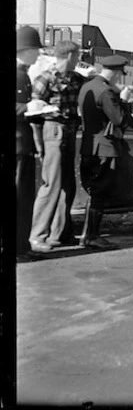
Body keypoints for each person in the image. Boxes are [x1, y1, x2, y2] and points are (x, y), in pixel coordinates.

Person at [28, 40, 85, 252]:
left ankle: (59, 234)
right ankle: (37, 236)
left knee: (67, 186)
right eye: (77, 55)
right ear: (69, 55)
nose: (78, 59)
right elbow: (33, 113)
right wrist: (39, 143)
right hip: (53, 129)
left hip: (68, 131)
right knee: (51, 185)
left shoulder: (76, 78)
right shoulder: (46, 78)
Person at [77, 55, 133, 248]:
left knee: (94, 192)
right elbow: (119, 119)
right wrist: (125, 101)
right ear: (115, 72)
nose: (119, 79)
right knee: (100, 192)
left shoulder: (87, 86)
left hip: (89, 146)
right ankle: (92, 237)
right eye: (119, 75)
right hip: (105, 149)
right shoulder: (106, 91)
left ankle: (87, 235)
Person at [15, 26, 44, 262]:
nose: (38, 55)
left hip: (23, 146)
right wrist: (28, 108)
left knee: (24, 198)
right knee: (19, 197)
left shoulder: (22, 73)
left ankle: (22, 245)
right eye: (36, 50)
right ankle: (18, 249)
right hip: (17, 146)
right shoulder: (18, 74)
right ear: (25, 50)